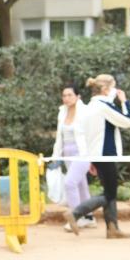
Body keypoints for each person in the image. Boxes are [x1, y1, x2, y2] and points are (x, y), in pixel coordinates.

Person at [62, 74, 130, 239]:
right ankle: (76, 213)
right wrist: (124, 101)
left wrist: (90, 159)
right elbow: (129, 121)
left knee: (109, 190)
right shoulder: (103, 106)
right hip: (105, 155)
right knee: (110, 193)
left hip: (95, 155)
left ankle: (112, 228)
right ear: (106, 89)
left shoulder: (88, 107)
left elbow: (86, 136)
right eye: (114, 87)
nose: (115, 91)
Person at [51, 83, 95, 230]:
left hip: (82, 154)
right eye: (64, 95)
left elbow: (91, 134)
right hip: (67, 154)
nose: (66, 98)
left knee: (70, 183)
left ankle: (76, 217)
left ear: (78, 97)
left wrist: (93, 158)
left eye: (70, 95)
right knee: (81, 185)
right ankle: (89, 218)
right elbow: (59, 137)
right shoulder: (62, 112)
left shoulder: (85, 111)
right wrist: (55, 156)